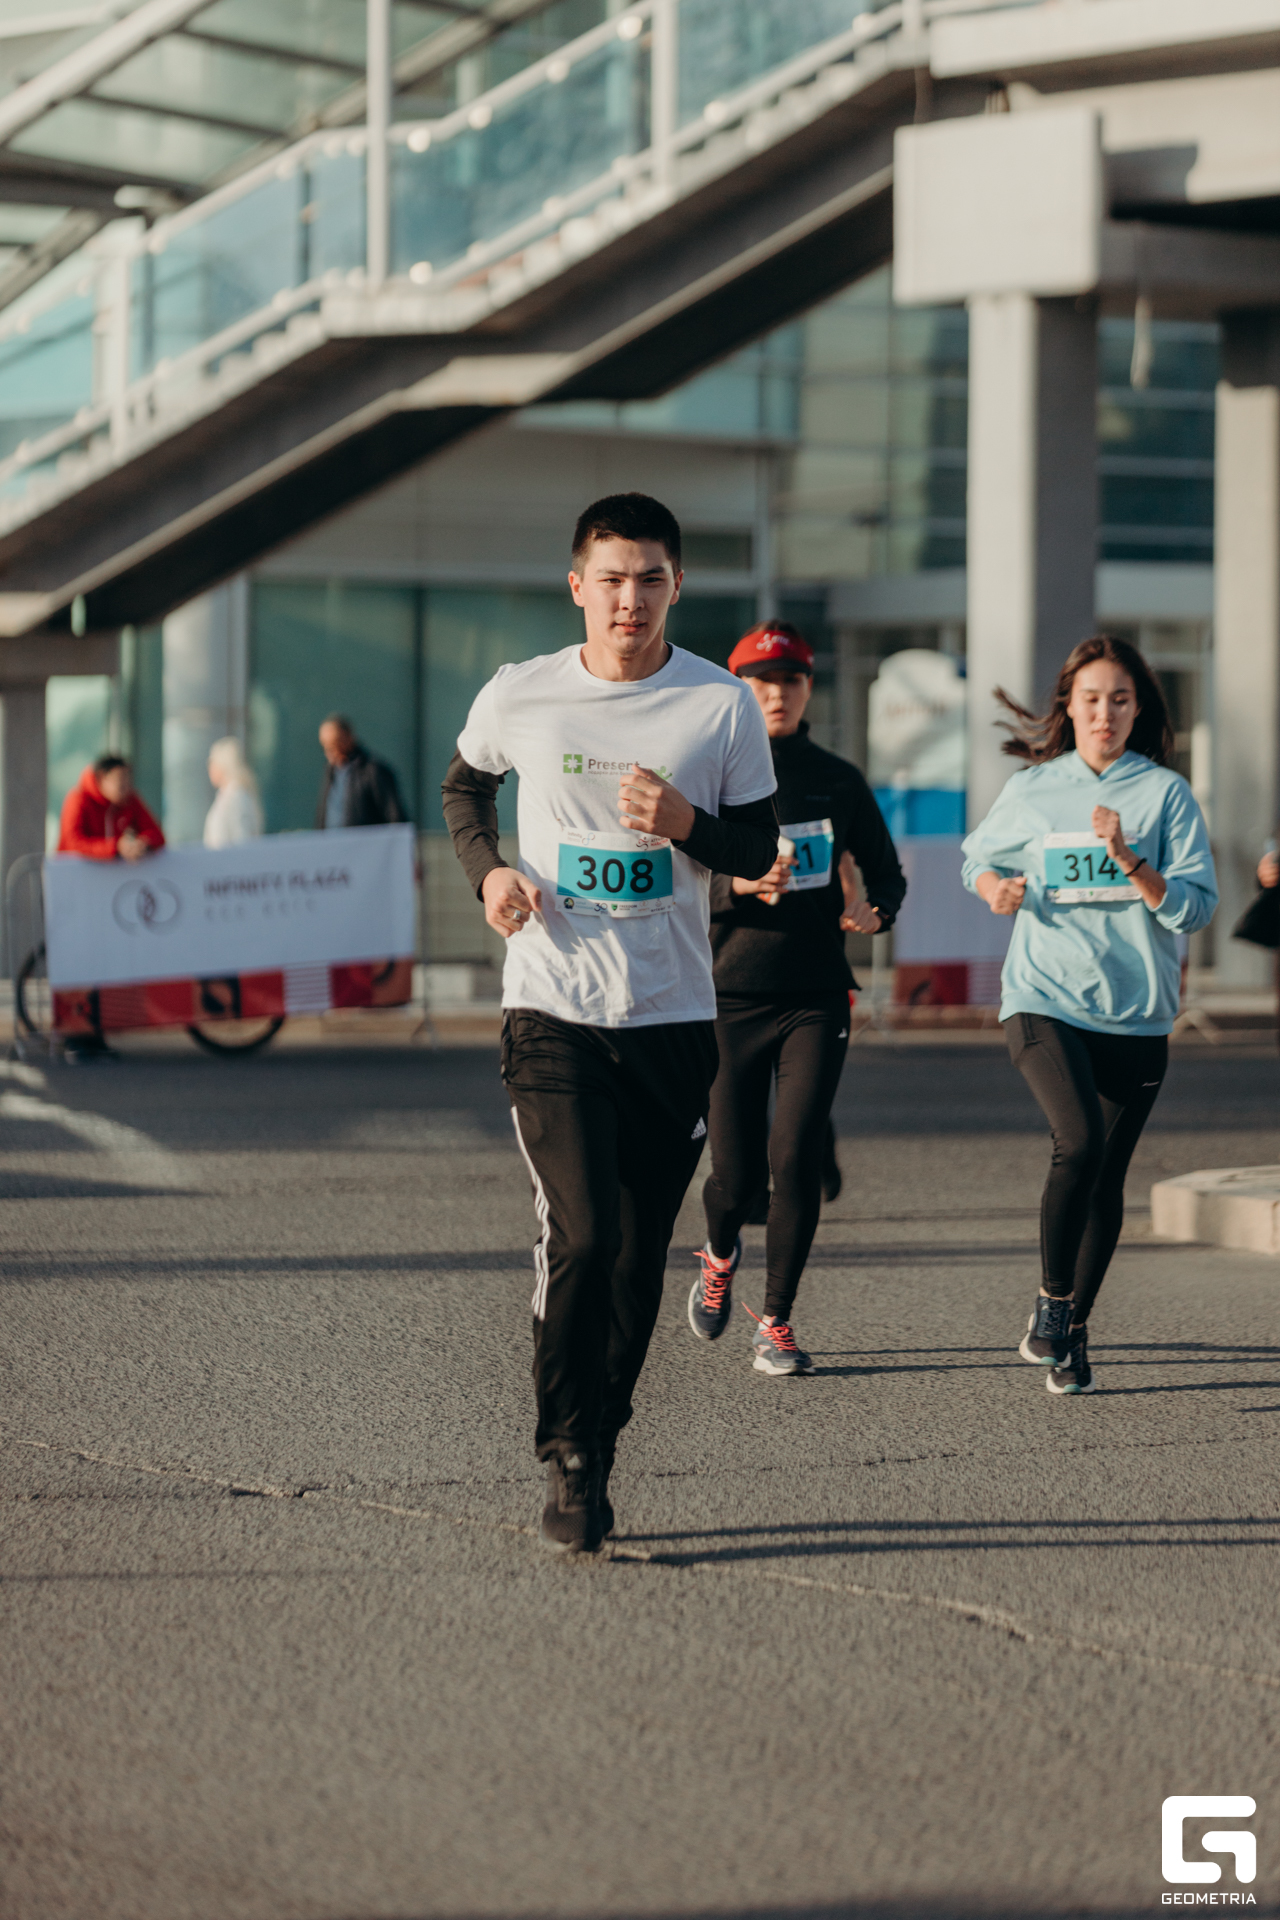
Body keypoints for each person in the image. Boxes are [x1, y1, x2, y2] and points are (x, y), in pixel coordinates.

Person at [441, 493, 777, 1553]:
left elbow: (756, 846)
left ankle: (602, 1432)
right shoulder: (523, 692)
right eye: (611, 579)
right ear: (577, 586)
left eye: (650, 579)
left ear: (677, 586)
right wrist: (489, 874)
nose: (630, 599)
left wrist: (686, 824)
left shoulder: (719, 705)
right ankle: (568, 1452)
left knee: (634, 1264)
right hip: (553, 1009)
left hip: (672, 1017)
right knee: (584, 1234)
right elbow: (464, 788)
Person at [961, 635, 1217, 1395]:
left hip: (1136, 1013)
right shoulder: (1034, 788)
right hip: (1044, 997)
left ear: (1139, 711)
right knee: (1077, 1142)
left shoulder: (1166, 795)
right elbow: (979, 859)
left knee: (1106, 1177)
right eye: (1092, 699)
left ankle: (1073, 1330)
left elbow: (1194, 909)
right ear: (1068, 707)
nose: (1105, 714)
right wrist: (995, 889)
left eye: (1120, 700)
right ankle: (1052, 1301)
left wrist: (1130, 858)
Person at [690, 622, 906, 1375]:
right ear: (736, 687)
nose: (775, 693)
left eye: (789, 680)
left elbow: (887, 872)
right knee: (735, 1177)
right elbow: (676, 879)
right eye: (760, 680)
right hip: (729, 994)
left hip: (816, 993)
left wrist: (876, 910)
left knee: (798, 1157)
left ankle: (775, 1320)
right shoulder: (710, 771)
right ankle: (718, 1255)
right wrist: (739, 883)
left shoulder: (837, 779)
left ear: (809, 688)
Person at [58, 754, 164, 863]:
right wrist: (115, 847)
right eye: (120, 781)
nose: (126, 787)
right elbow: (71, 843)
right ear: (102, 778)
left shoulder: (129, 799)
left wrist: (142, 843)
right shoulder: (77, 798)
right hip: (72, 870)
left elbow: (157, 835)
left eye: (128, 780)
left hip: (111, 871)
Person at [315, 715, 409, 829]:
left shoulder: (373, 771)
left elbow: (395, 816)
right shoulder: (330, 772)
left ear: (349, 737)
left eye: (336, 744)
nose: (330, 751)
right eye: (326, 746)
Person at [204, 737, 263, 847]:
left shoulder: (237, 798)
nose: (209, 768)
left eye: (212, 762)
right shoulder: (227, 795)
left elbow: (243, 841)